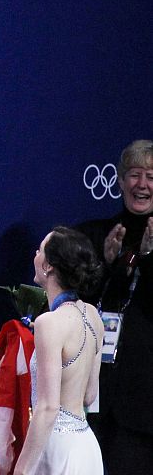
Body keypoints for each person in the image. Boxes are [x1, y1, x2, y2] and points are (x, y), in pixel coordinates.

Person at [76, 140, 153, 475]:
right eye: (134, 175)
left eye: (151, 175)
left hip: (144, 405)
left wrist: (147, 260)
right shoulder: (93, 235)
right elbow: (73, 302)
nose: (142, 184)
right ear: (119, 182)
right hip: (92, 397)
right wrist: (105, 263)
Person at [14, 226, 104, 475]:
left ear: (49, 265)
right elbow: (89, 396)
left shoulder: (49, 324)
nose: (35, 253)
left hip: (57, 452)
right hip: (87, 449)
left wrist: (21, 470)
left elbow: (48, 407)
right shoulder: (93, 315)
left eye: (40, 249)